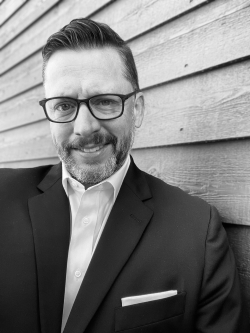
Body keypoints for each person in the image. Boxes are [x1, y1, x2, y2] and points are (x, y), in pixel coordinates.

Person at [0, 18, 248, 333]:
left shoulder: (198, 233)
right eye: (63, 106)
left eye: (104, 102)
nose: (85, 128)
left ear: (138, 109)